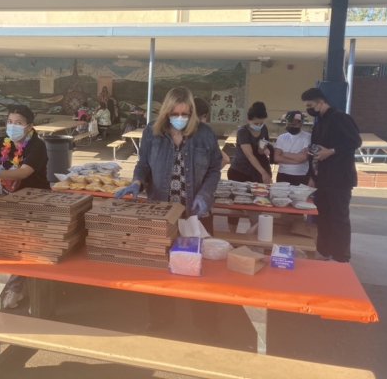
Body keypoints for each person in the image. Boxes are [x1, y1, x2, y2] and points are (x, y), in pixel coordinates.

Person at [115, 86, 222, 331]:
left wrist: (205, 195)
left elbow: (214, 168)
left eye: (185, 114)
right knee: (160, 267)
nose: (180, 118)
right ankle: (161, 321)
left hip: (196, 212)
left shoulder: (204, 134)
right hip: (161, 212)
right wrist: (137, 182)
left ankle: (205, 323)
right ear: (166, 112)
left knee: (200, 268)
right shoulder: (153, 132)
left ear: (192, 113)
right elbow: (143, 164)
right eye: (175, 113)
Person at [0, 105, 50, 309]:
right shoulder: (2, 142)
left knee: (26, 244)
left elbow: (24, 172)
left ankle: (16, 289)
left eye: (18, 123)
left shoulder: (37, 146)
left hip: (35, 200)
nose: (12, 126)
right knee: (12, 241)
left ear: (29, 126)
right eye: (9, 121)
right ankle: (13, 286)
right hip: (8, 199)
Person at [302, 87, 362, 263]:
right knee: (323, 216)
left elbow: (355, 141)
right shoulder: (319, 123)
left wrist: (331, 151)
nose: (309, 110)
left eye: (310, 105)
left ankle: (341, 256)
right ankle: (324, 250)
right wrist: (312, 175)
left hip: (340, 178)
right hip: (322, 178)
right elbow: (315, 150)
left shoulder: (340, 118)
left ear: (321, 102)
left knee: (339, 217)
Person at [226, 101, 272, 232]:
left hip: (256, 172)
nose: (259, 126)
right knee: (236, 206)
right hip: (239, 171)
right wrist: (264, 173)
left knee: (256, 205)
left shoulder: (264, 128)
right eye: (256, 123)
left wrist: (263, 148)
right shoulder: (242, 131)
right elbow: (249, 155)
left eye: (261, 123)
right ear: (248, 120)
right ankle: (233, 236)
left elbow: (265, 141)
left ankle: (252, 236)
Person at [193, 97, 231, 235]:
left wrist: (207, 174)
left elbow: (224, 159)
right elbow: (225, 159)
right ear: (204, 116)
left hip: (197, 198)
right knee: (203, 240)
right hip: (202, 195)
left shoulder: (204, 134)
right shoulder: (205, 135)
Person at [273, 111, 311, 186]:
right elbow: (276, 158)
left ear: (301, 124)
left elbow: (304, 157)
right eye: (288, 124)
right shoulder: (282, 137)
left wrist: (285, 154)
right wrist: (297, 160)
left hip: (301, 174)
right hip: (283, 174)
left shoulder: (307, 137)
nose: (290, 127)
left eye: (294, 125)